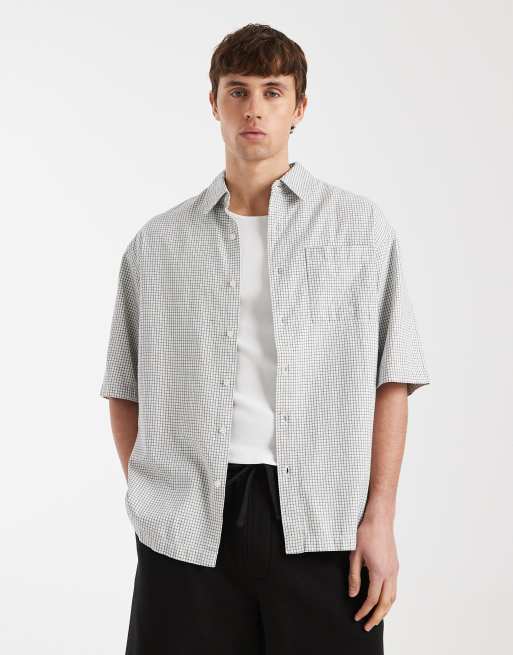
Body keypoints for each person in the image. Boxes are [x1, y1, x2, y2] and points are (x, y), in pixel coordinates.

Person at [100, 22, 430, 655]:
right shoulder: (159, 244)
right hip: (188, 521)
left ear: (299, 107)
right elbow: (124, 385)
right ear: (214, 103)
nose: (254, 108)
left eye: (272, 92)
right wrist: (155, 499)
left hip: (323, 518)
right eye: (238, 91)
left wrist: (380, 517)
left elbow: (393, 378)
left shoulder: (359, 229)